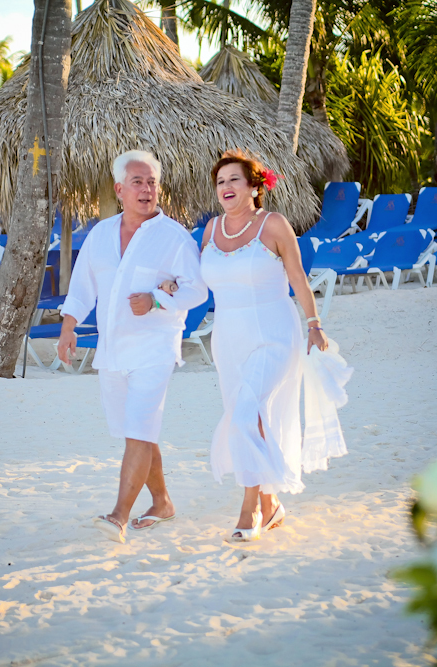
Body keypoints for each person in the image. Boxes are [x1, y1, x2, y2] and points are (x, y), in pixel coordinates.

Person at [56, 150, 208, 544]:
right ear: (119, 189)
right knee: (137, 431)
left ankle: (118, 515)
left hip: (155, 348)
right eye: (137, 182)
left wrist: (157, 299)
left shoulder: (174, 236)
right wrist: (69, 327)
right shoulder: (101, 234)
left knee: (140, 430)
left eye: (152, 182)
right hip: (112, 350)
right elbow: (83, 285)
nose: (146, 189)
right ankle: (162, 502)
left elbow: (197, 290)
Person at [195, 149, 337, 542]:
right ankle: (271, 503)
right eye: (220, 181)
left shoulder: (273, 225)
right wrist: (168, 288)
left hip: (273, 332)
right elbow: (199, 281)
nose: (225, 187)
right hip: (228, 339)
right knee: (250, 417)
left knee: (246, 414)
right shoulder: (211, 230)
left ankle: (251, 507)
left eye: (234, 179)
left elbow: (298, 277)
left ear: (253, 186)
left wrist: (314, 324)